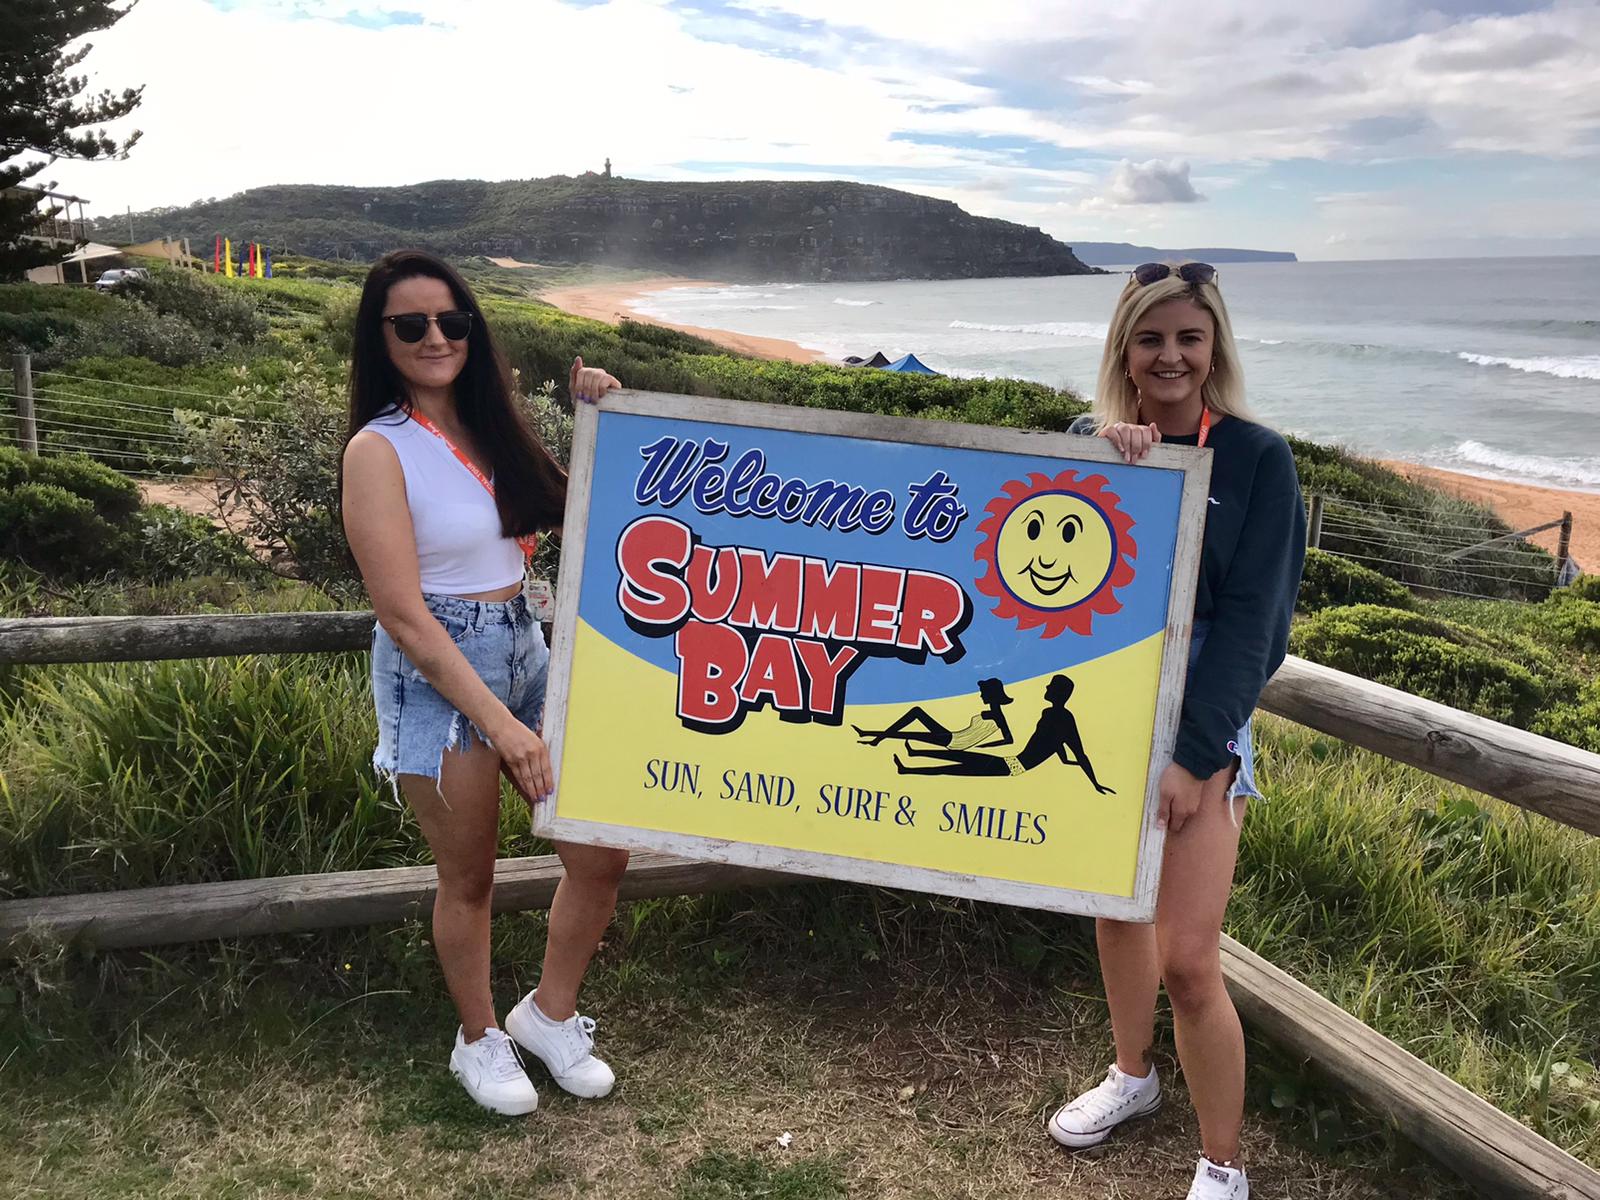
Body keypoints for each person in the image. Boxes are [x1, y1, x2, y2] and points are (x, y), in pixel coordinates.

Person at [340, 249, 630, 1117]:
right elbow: (403, 614)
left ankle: (548, 1013)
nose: (436, 337)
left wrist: (611, 420)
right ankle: (478, 1040)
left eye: (452, 321)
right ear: (380, 337)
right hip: (438, 666)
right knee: (469, 876)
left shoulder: (488, 426)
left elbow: (596, 510)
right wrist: (504, 726)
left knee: (599, 852)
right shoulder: (377, 449)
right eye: (412, 324)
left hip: (521, 638)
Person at [1044, 262, 1306, 1200]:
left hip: (1203, 726)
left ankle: (1224, 1163)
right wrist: (1102, 461)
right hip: (1102, 712)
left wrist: (1199, 758)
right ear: (1125, 347)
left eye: (1189, 338)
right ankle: (1132, 1074)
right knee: (1116, 911)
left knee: (1190, 960)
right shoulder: (1089, 440)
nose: (1171, 356)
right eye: (1151, 338)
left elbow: (1256, 626)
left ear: (1215, 349)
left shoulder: (1258, 458)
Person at [890, 675, 1114, 794]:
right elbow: (1057, 747)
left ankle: (908, 768)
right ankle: (913, 756)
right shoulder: (1051, 715)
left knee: (959, 767)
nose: (1046, 687)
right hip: (1013, 761)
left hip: (1014, 766)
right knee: (962, 759)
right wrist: (1068, 762)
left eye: (1051, 686)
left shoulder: (1063, 719)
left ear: (1059, 692)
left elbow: (1079, 752)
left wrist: (1094, 782)